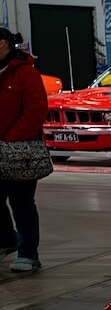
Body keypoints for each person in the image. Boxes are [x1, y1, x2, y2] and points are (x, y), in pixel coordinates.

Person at [0, 27, 49, 273]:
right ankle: (7, 240)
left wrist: (11, 139)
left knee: (21, 202)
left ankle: (29, 254)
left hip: (20, 150)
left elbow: (36, 109)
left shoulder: (26, 74)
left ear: (3, 44)